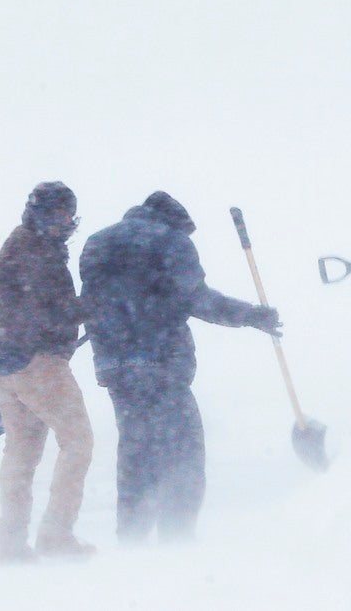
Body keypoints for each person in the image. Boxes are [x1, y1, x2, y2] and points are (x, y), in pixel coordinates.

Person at [79, 191, 281, 542]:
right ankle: (177, 541)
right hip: (161, 364)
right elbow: (198, 300)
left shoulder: (97, 243)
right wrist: (251, 316)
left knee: (136, 454)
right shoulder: (170, 240)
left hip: (116, 368)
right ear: (174, 222)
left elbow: (93, 305)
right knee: (184, 454)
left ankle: (131, 540)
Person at [0, 181, 95, 563]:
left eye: (68, 215)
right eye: (59, 215)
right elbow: (54, 311)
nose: (65, 222)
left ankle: (11, 543)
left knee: (21, 454)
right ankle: (56, 534)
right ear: (40, 214)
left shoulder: (20, 244)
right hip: (37, 364)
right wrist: (97, 306)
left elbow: (33, 306)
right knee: (77, 442)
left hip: (3, 363)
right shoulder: (38, 253)